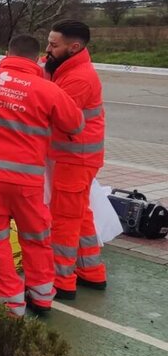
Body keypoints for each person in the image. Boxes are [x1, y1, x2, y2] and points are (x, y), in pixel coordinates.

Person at [0, 34, 84, 317]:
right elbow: (75, 124)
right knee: (36, 237)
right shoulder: (48, 90)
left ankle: (10, 302)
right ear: (36, 58)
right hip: (27, 183)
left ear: (7, 53)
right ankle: (42, 298)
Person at [45, 19, 107, 299]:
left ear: (74, 47)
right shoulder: (67, 69)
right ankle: (91, 271)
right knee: (80, 216)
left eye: (53, 45)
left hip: (75, 159)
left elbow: (57, 116)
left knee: (64, 220)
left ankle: (61, 280)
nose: (48, 49)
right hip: (78, 156)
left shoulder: (78, 78)